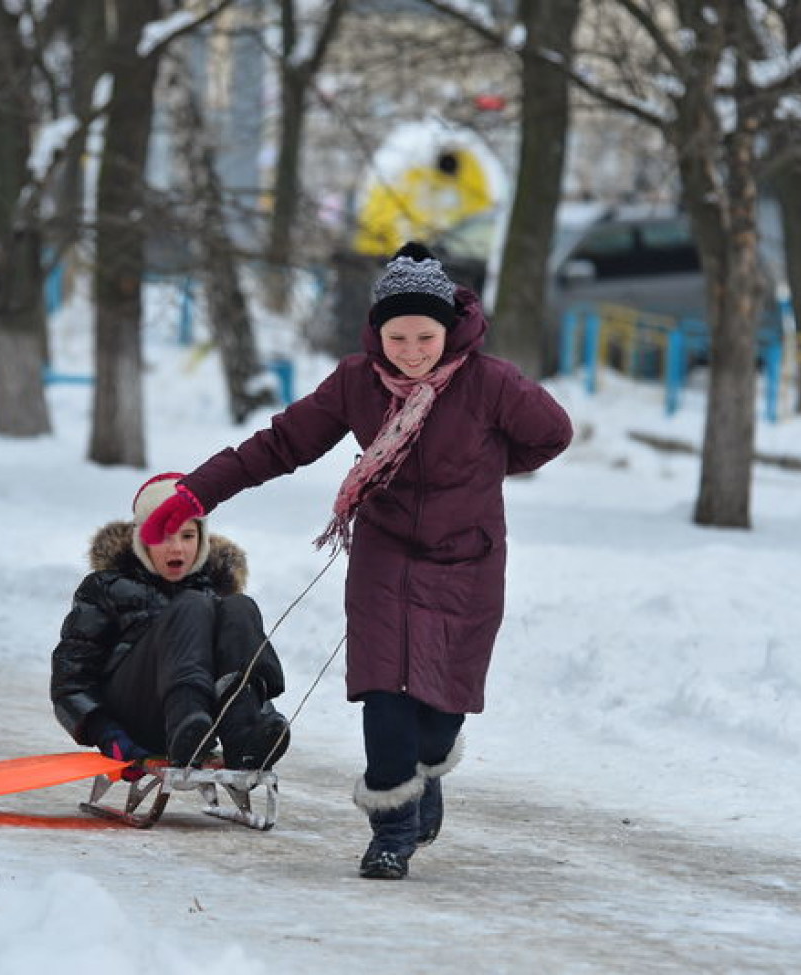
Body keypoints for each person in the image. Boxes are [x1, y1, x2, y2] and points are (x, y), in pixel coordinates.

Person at [138, 242, 574, 879]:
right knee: (385, 694)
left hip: (467, 561)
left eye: (425, 336)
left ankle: (425, 773)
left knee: (439, 708)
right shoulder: (357, 382)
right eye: (398, 337)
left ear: (448, 329)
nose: (412, 351)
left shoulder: (490, 383)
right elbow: (281, 444)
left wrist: (488, 469)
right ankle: (391, 830)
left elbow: (552, 433)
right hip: (385, 556)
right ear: (378, 332)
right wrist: (195, 492)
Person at [51, 473, 290, 776]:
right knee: (192, 605)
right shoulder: (106, 588)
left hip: (203, 725)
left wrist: (261, 717)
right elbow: (70, 679)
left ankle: (241, 735)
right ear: (142, 540)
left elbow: (237, 664)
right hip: (136, 716)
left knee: (239, 607)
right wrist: (108, 736)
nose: (176, 549)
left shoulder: (218, 593)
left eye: (188, 536)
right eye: (163, 536)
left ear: (202, 541)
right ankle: (186, 722)